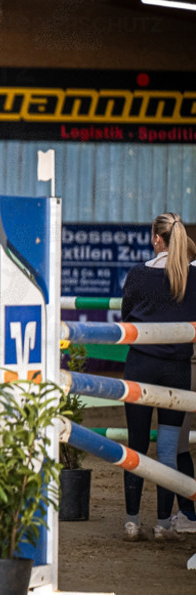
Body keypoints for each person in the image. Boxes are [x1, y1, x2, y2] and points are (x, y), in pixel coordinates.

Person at [120, 212, 196, 541]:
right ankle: (164, 523)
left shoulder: (138, 274)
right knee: (167, 449)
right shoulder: (192, 278)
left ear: (156, 239)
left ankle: (132, 521)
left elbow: (126, 316)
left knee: (136, 446)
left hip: (140, 366)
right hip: (176, 370)